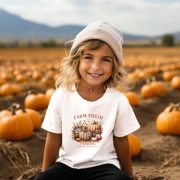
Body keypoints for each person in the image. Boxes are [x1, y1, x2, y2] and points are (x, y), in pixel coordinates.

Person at [35, 21, 140, 180]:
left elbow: (121, 141)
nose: (96, 67)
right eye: (89, 58)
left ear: (114, 66)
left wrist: (128, 175)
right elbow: (54, 137)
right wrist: (45, 173)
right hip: (67, 165)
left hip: (104, 166)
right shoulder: (61, 96)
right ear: (76, 61)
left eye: (105, 60)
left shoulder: (118, 100)